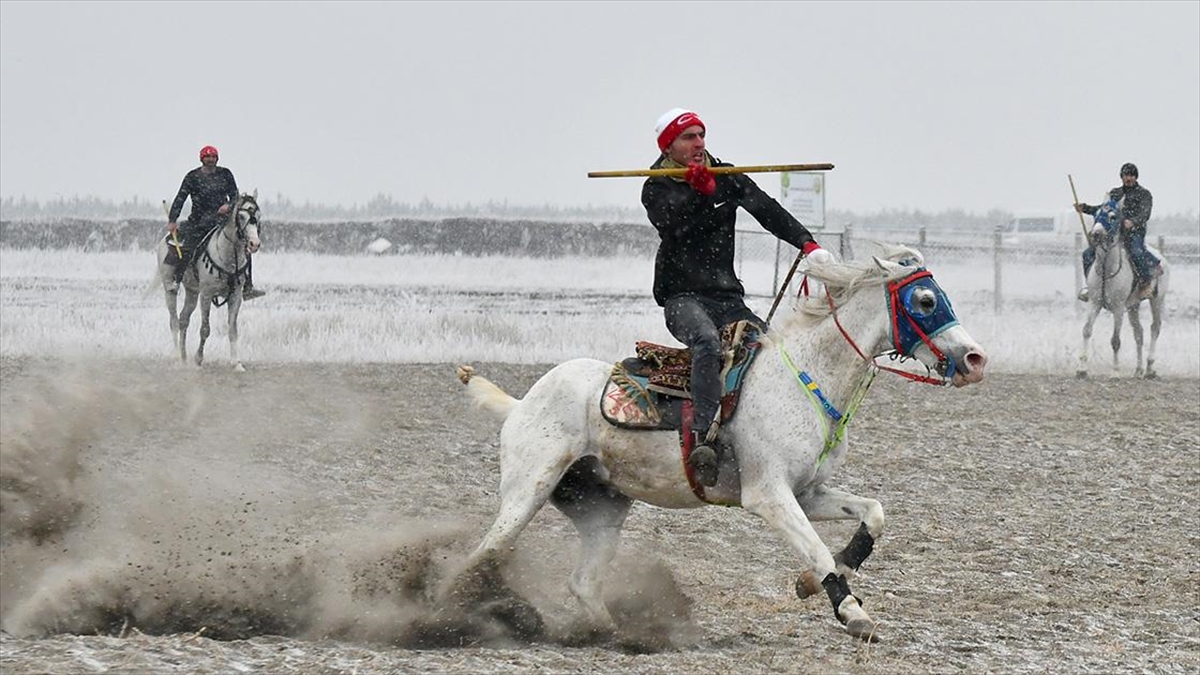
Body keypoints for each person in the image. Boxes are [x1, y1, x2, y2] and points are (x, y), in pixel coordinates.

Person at [641, 108, 832, 487]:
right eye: (688, 137)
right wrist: (699, 193)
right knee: (708, 344)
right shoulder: (656, 186)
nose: (698, 143)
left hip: (727, 297)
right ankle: (703, 441)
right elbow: (674, 226)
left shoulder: (725, 176)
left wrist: (807, 243)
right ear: (670, 146)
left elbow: (767, 211)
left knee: (770, 350)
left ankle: (766, 431)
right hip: (683, 298)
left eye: (701, 135)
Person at [167, 145, 265, 299]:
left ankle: (248, 286)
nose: (211, 160)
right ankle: (176, 280)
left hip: (222, 221)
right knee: (188, 247)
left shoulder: (225, 174)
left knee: (243, 246)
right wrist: (172, 219)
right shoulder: (192, 177)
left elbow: (235, 195)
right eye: (207, 157)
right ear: (202, 159)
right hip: (199, 221)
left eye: (213, 157)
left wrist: (229, 205)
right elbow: (181, 198)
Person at [1075, 162, 1157, 303]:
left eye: (1131, 175)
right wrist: (1085, 208)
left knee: (1137, 252)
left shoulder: (1144, 194)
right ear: (1122, 177)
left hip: (1134, 233)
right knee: (1088, 253)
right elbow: (1103, 209)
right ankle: (1090, 286)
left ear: (1136, 177)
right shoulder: (1115, 193)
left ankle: (1145, 284)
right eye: (1125, 175)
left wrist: (1133, 222)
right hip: (1114, 233)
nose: (1128, 178)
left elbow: (1145, 213)